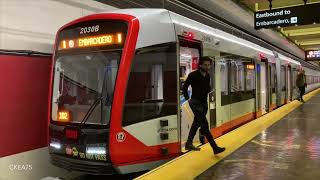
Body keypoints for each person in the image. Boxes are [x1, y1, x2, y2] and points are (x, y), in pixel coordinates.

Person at [183, 56, 225, 155]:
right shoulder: (193, 75)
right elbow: (185, 87)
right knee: (205, 126)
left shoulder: (207, 75)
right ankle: (215, 148)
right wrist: (187, 98)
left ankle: (189, 143)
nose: (207, 67)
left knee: (196, 123)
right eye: (205, 65)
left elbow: (207, 87)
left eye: (209, 65)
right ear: (200, 65)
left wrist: (208, 90)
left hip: (203, 103)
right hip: (195, 102)